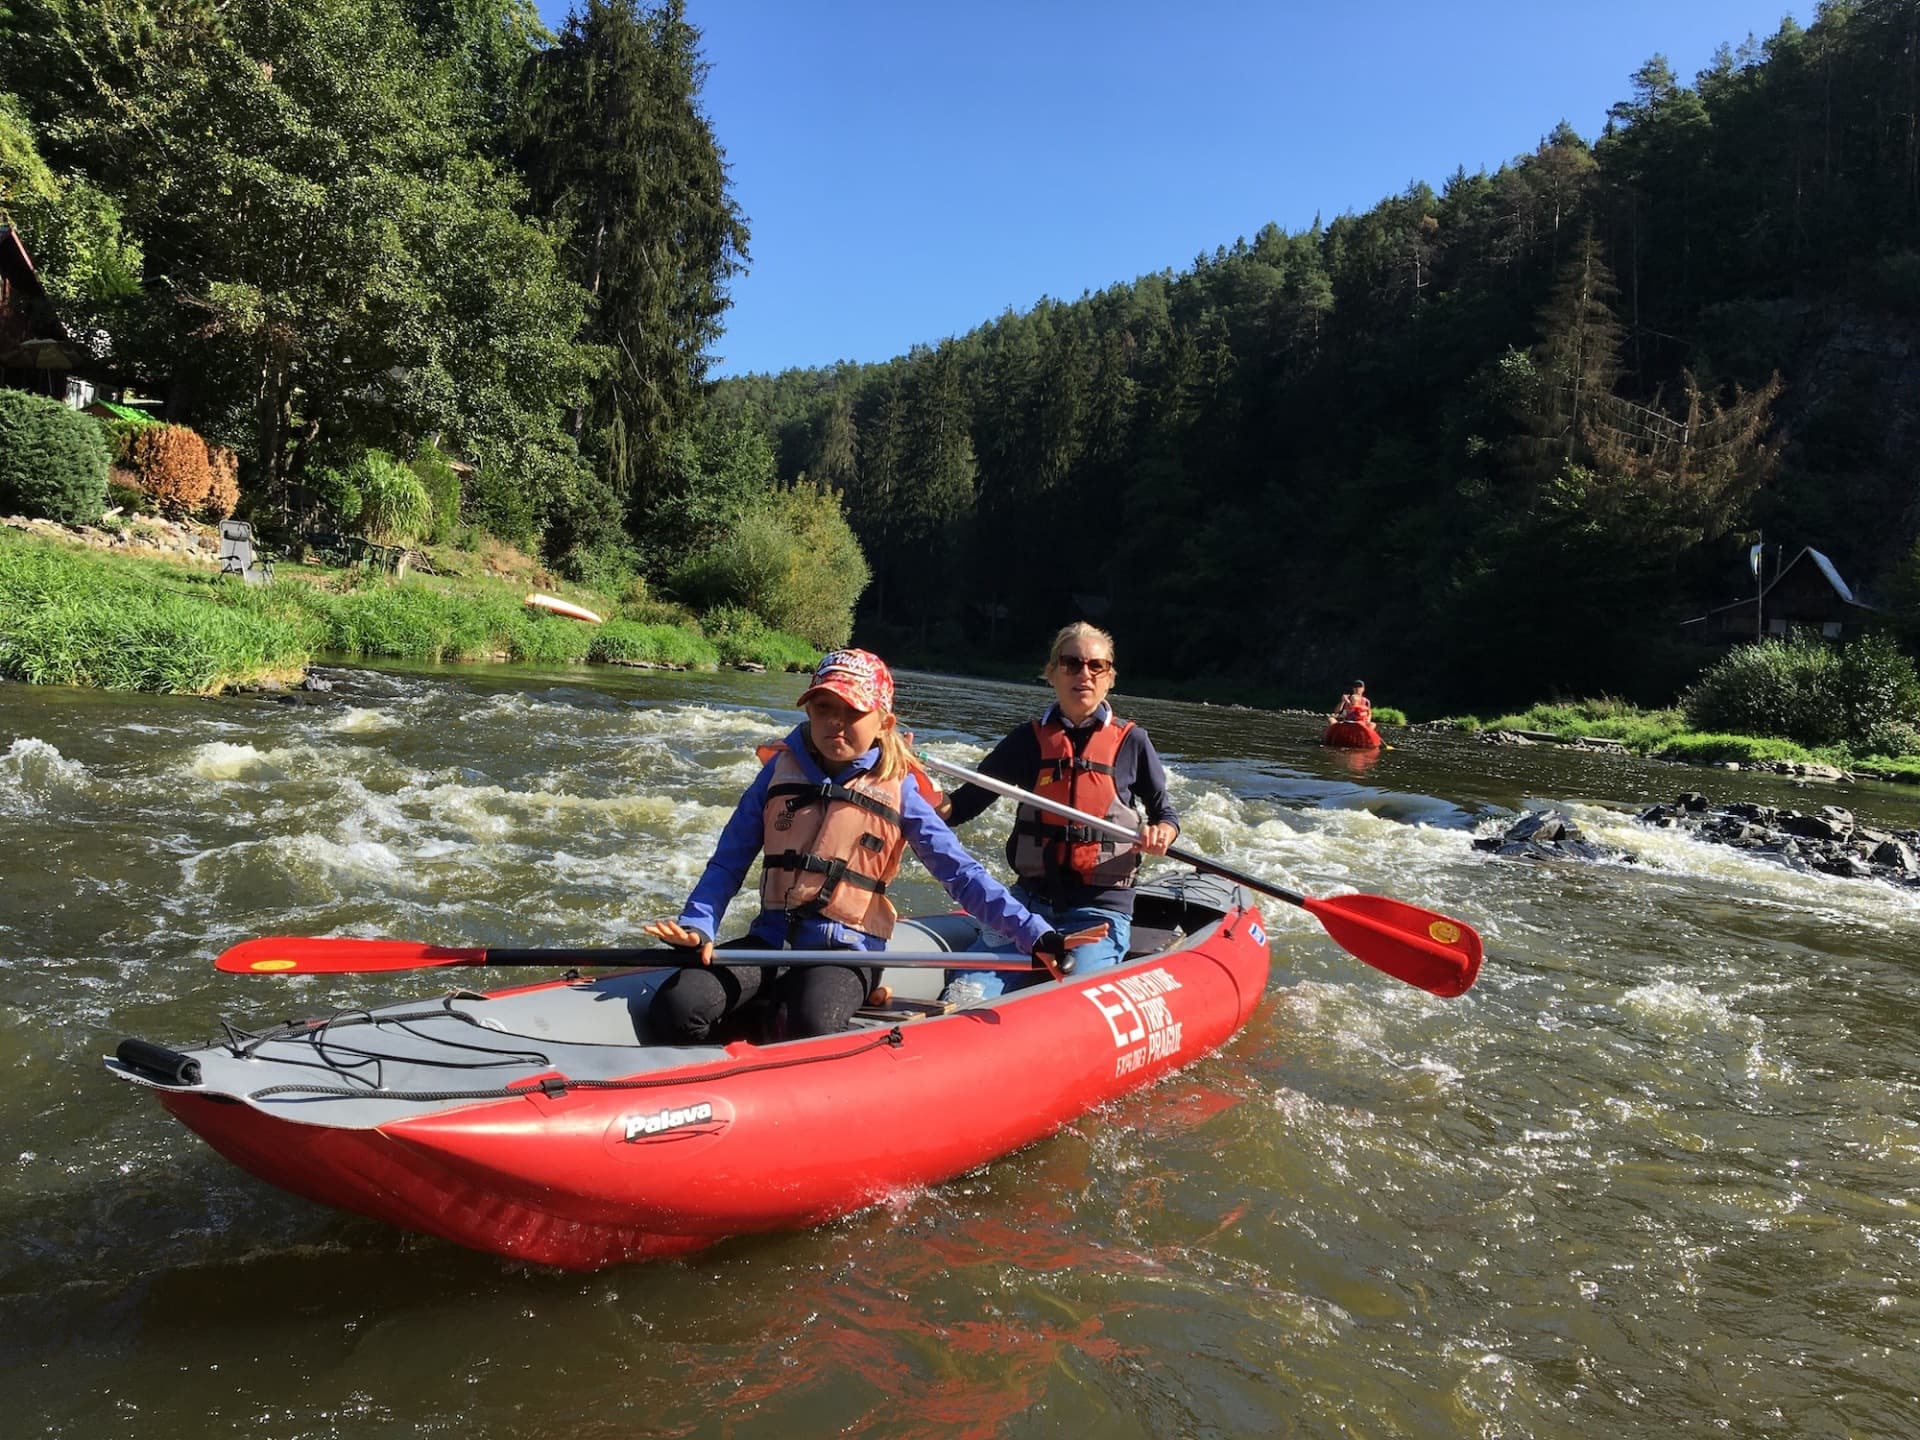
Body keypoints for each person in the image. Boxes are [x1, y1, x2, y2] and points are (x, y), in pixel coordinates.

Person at [641, 648, 1094, 1042]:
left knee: (810, 1026)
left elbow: (962, 875)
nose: (834, 722)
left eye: (852, 712)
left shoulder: (901, 791)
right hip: (770, 943)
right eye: (822, 708)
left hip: (846, 951)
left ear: (884, 721)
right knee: (679, 1007)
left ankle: (856, 994)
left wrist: (1035, 934)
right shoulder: (776, 773)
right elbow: (728, 861)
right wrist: (699, 924)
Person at [938, 622, 1179, 1003]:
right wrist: (912, 789)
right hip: (1025, 911)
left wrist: (1163, 831)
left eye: (1096, 666)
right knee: (967, 993)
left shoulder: (1132, 742)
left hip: (1098, 914)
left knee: (1068, 1002)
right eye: (1071, 664)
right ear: (1052, 673)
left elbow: (1165, 813)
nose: (1084, 674)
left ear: (1109, 678)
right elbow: (961, 805)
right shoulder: (1026, 742)